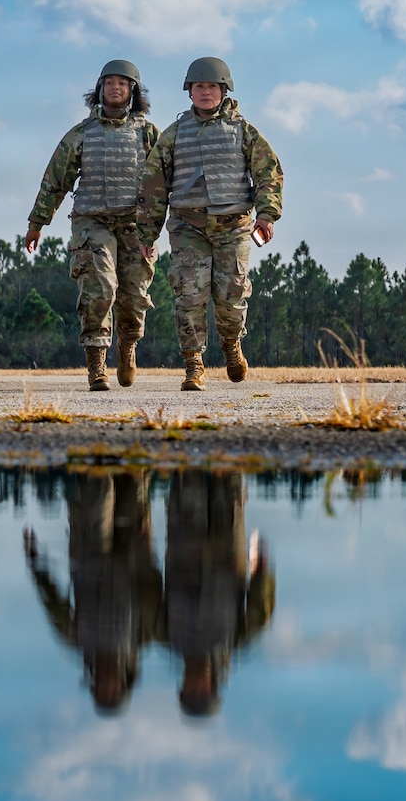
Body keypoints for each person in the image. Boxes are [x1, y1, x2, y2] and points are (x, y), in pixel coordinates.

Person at [138, 57, 284, 391]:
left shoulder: (242, 130)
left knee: (231, 298)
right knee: (189, 297)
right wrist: (148, 232)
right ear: (189, 91)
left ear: (223, 90)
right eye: (199, 86)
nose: (206, 92)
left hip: (233, 226)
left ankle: (232, 345)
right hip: (189, 227)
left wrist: (267, 213)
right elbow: (153, 183)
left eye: (212, 86)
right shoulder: (174, 135)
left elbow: (268, 172)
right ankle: (194, 365)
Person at [24, 60, 159, 391]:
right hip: (92, 221)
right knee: (99, 288)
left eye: (123, 83)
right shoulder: (81, 135)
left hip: (135, 224)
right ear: (99, 90)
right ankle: (96, 366)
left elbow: (164, 181)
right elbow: (55, 180)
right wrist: (37, 222)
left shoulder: (148, 134)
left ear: (133, 92)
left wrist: (157, 225)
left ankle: (127, 347)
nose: (115, 87)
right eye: (109, 82)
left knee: (134, 296)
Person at [24, 470, 163, 713]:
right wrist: (146, 554)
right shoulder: (141, 639)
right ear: (124, 682)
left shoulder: (76, 640)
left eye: (103, 689)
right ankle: (130, 443)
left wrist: (37, 564)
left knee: (95, 487)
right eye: (112, 689)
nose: (107, 684)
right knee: (134, 484)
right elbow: (152, 592)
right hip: (131, 556)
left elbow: (53, 601)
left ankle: (97, 446)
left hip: (88, 551)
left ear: (93, 683)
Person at [163, 470, 274, 717]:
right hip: (227, 553)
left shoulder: (168, 639)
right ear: (213, 686)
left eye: (190, 689)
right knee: (230, 484)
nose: (195, 684)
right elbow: (260, 608)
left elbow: (148, 596)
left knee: (187, 477)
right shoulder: (236, 641)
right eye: (200, 691)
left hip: (184, 542)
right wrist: (261, 570)